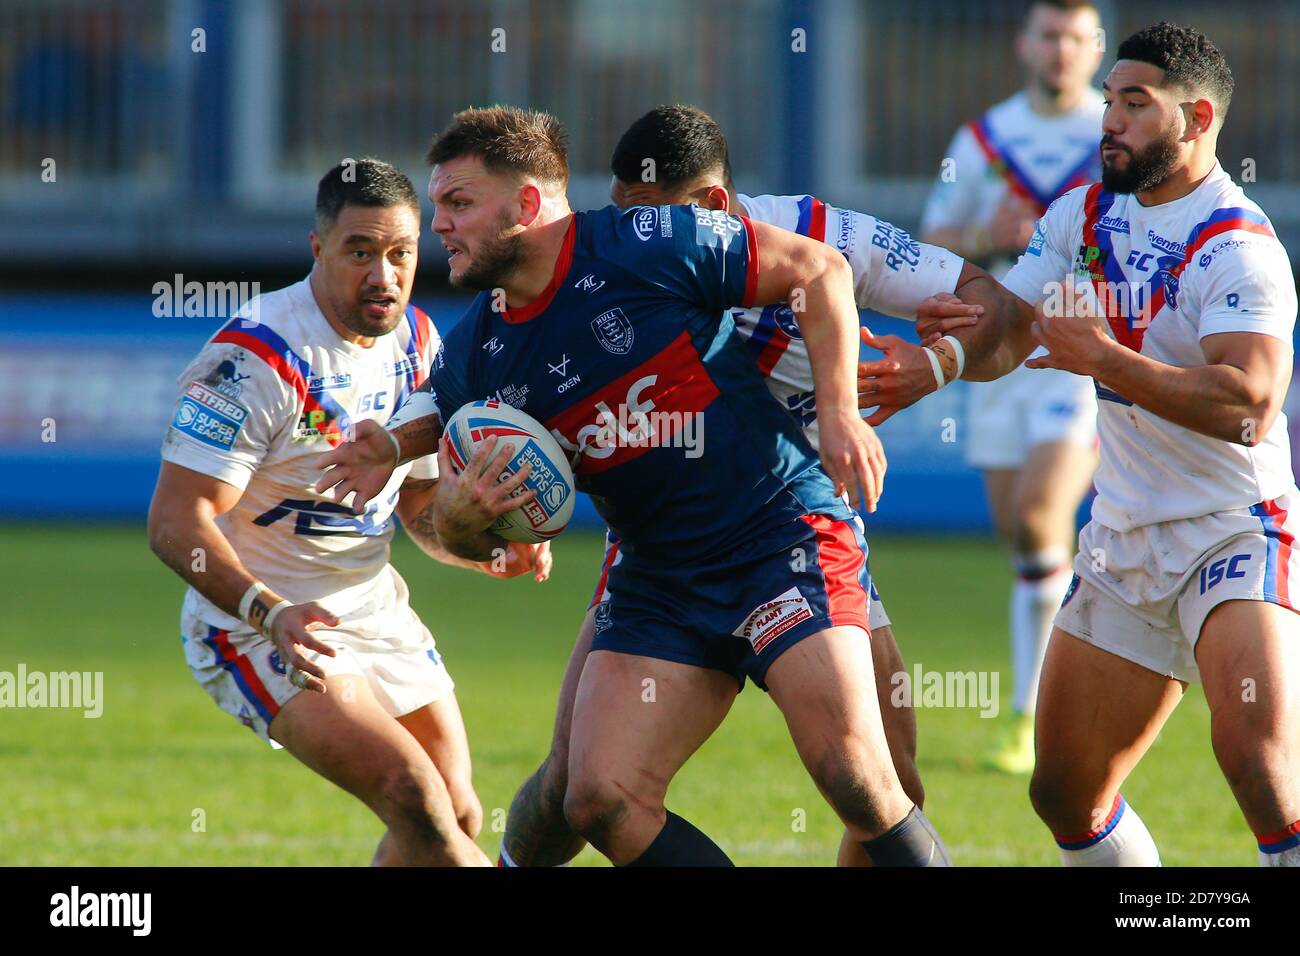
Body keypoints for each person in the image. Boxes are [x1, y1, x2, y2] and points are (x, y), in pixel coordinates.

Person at [318, 105, 960, 865]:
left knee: (859, 778)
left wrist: (839, 413)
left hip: (776, 534)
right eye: (438, 208)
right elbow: (450, 498)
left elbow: (821, 270)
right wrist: (442, 499)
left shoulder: (644, 242)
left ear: (526, 205)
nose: (440, 227)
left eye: (457, 203)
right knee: (598, 795)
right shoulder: (478, 353)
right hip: (657, 576)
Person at [499, 104, 1030, 867]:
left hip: (798, 531)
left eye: (647, 219)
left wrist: (936, 363)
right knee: (573, 787)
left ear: (714, 207)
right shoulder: (605, 263)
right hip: (665, 549)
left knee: (885, 783)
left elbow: (1003, 315)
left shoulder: (820, 240)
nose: (630, 240)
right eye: (619, 218)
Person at [904, 21, 1299, 866]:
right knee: (1064, 792)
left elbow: (1250, 408)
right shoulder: (1084, 215)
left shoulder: (1239, 246)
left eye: (1133, 102)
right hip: (1124, 536)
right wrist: (942, 354)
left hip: (1236, 528)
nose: (1108, 119)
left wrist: (1105, 358)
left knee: (1259, 765)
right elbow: (1010, 327)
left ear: (1195, 120)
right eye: (1110, 99)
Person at [147, 158, 548, 867]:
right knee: (413, 796)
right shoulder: (255, 358)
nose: (383, 275)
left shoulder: (421, 343)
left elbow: (419, 505)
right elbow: (178, 523)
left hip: (371, 610)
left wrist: (487, 548)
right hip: (257, 625)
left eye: (399, 253)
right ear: (317, 249)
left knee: (454, 808)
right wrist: (270, 611)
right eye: (360, 251)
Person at [920, 0, 1105, 773]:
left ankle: (1034, 717)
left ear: (1096, 48)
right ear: (1026, 44)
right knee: (1026, 545)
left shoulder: (1114, 135)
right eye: (1050, 35)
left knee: (1038, 520)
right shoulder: (984, 139)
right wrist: (984, 238)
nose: (1062, 50)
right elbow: (929, 241)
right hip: (996, 357)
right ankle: (1049, 696)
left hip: (1077, 352)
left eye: (1077, 37)